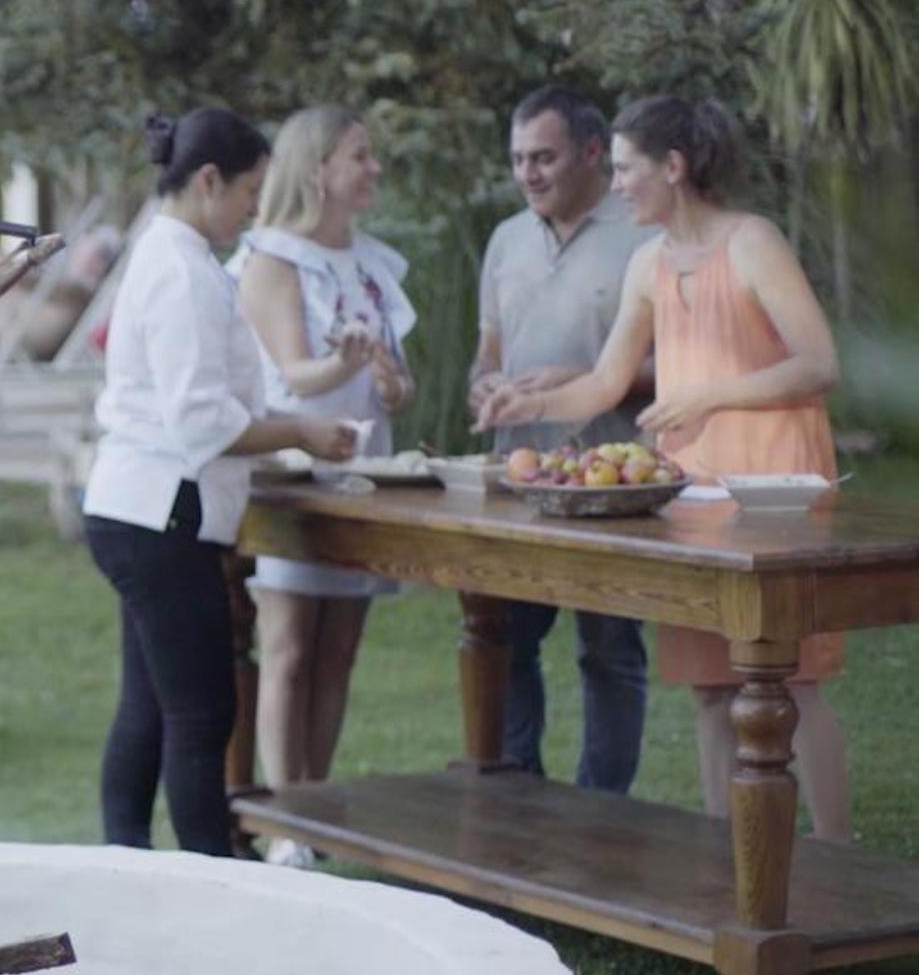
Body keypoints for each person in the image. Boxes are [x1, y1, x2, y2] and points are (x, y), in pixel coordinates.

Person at [481, 95, 849, 838]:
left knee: (790, 680)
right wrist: (529, 403)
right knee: (711, 688)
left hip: (773, 485)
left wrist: (710, 394)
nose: (616, 185)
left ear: (673, 167)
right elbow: (605, 382)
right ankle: (729, 855)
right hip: (693, 491)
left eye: (625, 169)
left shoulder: (752, 242)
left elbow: (818, 363)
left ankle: (836, 852)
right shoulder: (647, 262)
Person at [84, 107, 358, 856]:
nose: (255, 211)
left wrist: (288, 426)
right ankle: (212, 877)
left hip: (130, 507)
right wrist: (301, 431)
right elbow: (202, 423)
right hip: (161, 516)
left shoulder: (165, 253)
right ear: (208, 181)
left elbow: (205, 408)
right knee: (202, 714)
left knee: (150, 706)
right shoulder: (182, 272)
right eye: (249, 192)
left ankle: (124, 859)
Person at [230, 106, 416, 866]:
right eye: (358, 156)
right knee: (288, 647)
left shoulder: (370, 262)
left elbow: (396, 378)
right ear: (316, 169)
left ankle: (316, 808)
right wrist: (344, 365)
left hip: (364, 472)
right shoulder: (272, 259)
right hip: (293, 471)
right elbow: (294, 374)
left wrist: (391, 383)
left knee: (339, 647)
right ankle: (284, 821)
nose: (374, 169)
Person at [469, 85, 656, 794]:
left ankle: (602, 809)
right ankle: (517, 794)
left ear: (591, 152)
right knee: (505, 639)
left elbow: (676, 364)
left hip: (613, 485)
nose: (527, 173)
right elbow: (487, 351)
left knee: (608, 652)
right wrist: (483, 384)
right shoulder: (506, 239)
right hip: (517, 479)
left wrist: (583, 379)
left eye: (543, 157)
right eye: (518, 158)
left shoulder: (643, 234)